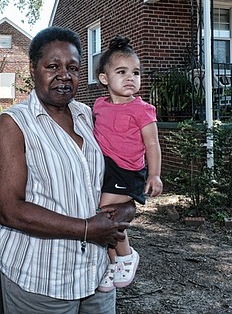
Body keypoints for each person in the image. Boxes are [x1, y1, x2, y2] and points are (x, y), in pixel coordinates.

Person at [0, 26, 136, 314]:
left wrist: (127, 207)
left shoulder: (89, 116)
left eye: (73, 67)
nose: (64, 75)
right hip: (41, 278)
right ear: (33, 70)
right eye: (52, 66)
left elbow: (116, 174)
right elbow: (9, 210)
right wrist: (86, 229)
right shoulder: (15, 124)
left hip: (97, 274)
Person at [93, 36, 163, 292]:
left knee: (107, 212)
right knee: (101, 213)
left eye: (135, 72)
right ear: (104, 78)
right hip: (107, 167)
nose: (130, 77)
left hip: (128, 171)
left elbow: (153, 145)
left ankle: (126, 256)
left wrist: (154, 175)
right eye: (121, 72)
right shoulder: (99, 105)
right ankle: (113, 264)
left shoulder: (142, 109)